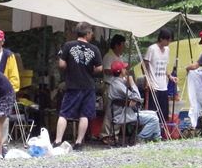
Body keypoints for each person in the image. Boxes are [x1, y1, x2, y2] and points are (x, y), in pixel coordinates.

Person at [53, 21, 103, 151]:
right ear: (87, 33)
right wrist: (90, 69)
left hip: (72, 84)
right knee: (84, 114)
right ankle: (79, 142)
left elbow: (61, 64)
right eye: (91, 33)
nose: (92, 35)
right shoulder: (94, 49)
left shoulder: (68, 45)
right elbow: (99, 68)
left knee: (64, 113)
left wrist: (71, 66)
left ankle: (58, 141)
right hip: (88, 85)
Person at [108, 60, 161, 144]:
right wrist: (132, 83)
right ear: (121, 71)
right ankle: (141, 137)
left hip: (125, 112)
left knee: (154, 113)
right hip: (123, 115)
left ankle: (157, 138)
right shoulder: (118, 85)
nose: (126, 70)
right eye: (124, 68)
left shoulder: (117, 82)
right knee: (154, 119)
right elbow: (137, 97)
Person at [143, 27, 178, 125]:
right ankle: (152, 131)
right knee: (153, 113)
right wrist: (147, 80)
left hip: (163, 85)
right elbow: (143, 65)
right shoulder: (152, 49)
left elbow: (164, 65)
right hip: (153, 86)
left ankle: (161, 131)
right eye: (167, 40)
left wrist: (169, 76)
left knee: (163, 113)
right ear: (161, 38)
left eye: (170, 40)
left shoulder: (167, 50)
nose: (169, 42)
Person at [101, 34, 127, 145]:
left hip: (118, 86)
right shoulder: (109, 56)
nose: (123, 48)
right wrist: (117, 71)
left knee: (118, 111)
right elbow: (106, 71)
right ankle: (105, 135)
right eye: (122, 45)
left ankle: (114, 134)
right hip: (110, 85)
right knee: (109, 112)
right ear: (116, 45)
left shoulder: (119, 57)